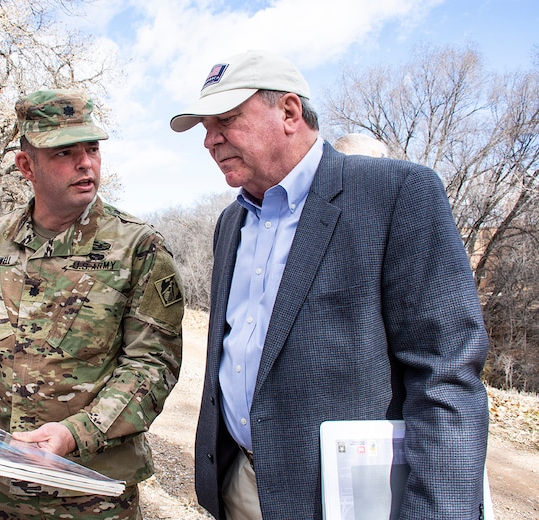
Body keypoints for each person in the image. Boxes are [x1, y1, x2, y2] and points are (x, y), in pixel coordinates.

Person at [170, 50, 489, 519]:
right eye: (205, 128)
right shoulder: (231, 221)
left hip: (345, 502)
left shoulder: (397, 194)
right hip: (239, 484)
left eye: (227, 120)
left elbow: (446, 376)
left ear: (290, 112)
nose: (210, 140)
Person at [0, 89, 184, 519]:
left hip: (92, 487)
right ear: (26, 166)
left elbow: (152, 365)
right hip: (3, 479)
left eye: (92, 149)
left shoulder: (136, 248)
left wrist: (77, 433)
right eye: (64, 152)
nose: (85, 162)